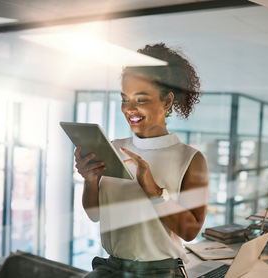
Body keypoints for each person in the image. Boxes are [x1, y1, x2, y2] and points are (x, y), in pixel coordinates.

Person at [74, 43, 208, 278]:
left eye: (142, 99)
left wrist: (155, 192)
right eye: (125, 99)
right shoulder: (114, 147)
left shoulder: (190, 159)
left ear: (166, 102)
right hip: (112, 269)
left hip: (160, 273)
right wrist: (90, 180)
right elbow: (94, 214)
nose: (129, 108)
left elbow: (190, 231)